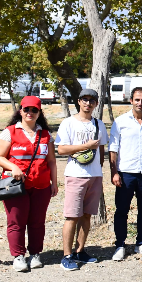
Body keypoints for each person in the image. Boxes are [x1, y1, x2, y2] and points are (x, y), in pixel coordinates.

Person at [0, 95, 56, 272]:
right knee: (16, 221)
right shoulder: (10, 131)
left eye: (34, 109)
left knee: (37, 221)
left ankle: (35, 254)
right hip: (15, 185)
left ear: (39, 112)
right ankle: (18, 256)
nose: (30, 112)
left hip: (41, 184)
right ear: (20, 110)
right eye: (26, 109)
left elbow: (51, 161)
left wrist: (54, 182)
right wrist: (12, 167)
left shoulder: (45, 135)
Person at [55, 88, 108, 270]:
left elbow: (101, 149)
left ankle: (80, 251)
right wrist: (85, 146)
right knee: (72, 216)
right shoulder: (68, 123)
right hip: (75, 174)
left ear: (96, 104)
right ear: (78, 101)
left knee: (86, 216)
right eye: (84, 99)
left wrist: (98, 169)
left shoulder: (99, 124)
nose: (88, 103)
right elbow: (61, 150)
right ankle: (66, 255)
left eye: (91, 100)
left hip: (94, 176)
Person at [109, 87, 142, 260]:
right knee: (122, 211)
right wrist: (114, 172)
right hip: (126, 173)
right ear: (131, 100)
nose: (140, 103)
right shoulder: (120, 121)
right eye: (137, 99)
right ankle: (120, 245)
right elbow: (113, 148)